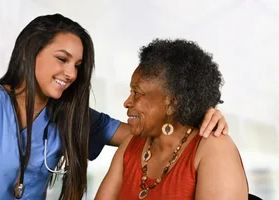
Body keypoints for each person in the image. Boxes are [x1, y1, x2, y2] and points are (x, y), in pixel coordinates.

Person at [0, 14, 229, 200]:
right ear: (30, 52)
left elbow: (155, 133)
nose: (71, 73)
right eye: (62, 59)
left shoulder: (72, 116)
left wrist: (198, 113)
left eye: (78, 65)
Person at [94, 39, 248, 200]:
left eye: (137, 92)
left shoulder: (215, 148)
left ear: (172, 102)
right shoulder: (131, 144)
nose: (127, 102)